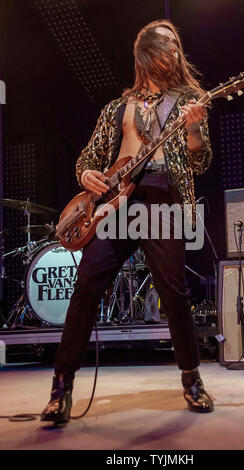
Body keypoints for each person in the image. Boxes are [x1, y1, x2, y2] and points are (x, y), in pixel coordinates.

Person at [41, 19, 214, 425]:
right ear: (146, 50)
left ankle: (191, 379)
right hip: (116, 202)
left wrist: (193, 131)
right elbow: (88, 158)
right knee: (86, 286)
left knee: (173, 292)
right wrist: (86, 176)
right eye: (165, 42)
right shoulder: (117, 108)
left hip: (162, 198)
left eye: (177, 43)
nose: (174, 48)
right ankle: (61, 389)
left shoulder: (189, 99)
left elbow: (200, 161)